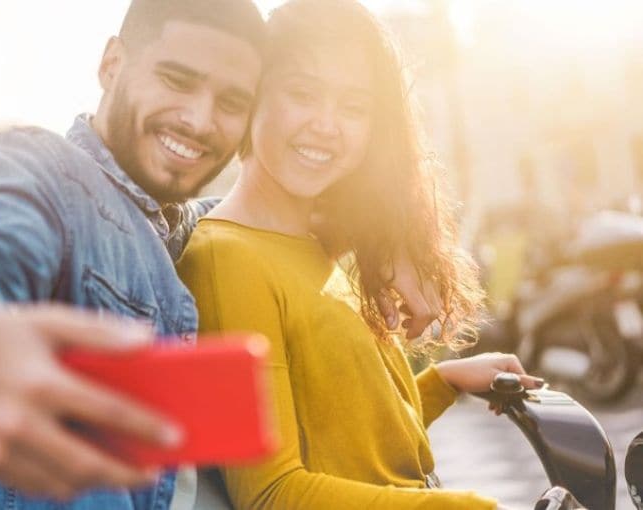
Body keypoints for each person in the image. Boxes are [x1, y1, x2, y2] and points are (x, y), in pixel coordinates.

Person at [0, 0, 448, 508]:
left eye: (231, 101)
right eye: (178, 80)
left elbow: (271, 224)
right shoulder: (41, 172)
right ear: (112, 64)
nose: (200, 120)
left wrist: (386, 247)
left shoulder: (182, 226)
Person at [176, 1, 544, 508]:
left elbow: (352, 442)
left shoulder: (317, 249)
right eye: (303, 93)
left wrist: (442, 381)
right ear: (254, 94)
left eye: (354, 106)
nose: (327, 125)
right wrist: (462, 507)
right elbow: (270, 493)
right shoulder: (225, 259)